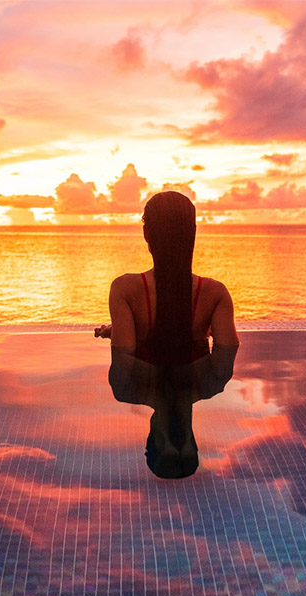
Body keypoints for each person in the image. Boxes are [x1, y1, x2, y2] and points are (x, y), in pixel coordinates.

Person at [95, 191, 240, 478]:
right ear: (193, 233)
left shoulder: (125, 289)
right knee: (180, 385)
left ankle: (166, 413)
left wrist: (125, 331)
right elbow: (226, 355)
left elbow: (125, 356)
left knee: (133, 384)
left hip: (146, 378)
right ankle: (174, 413)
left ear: (147, 233)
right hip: (194, 379)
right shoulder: (214, 293)